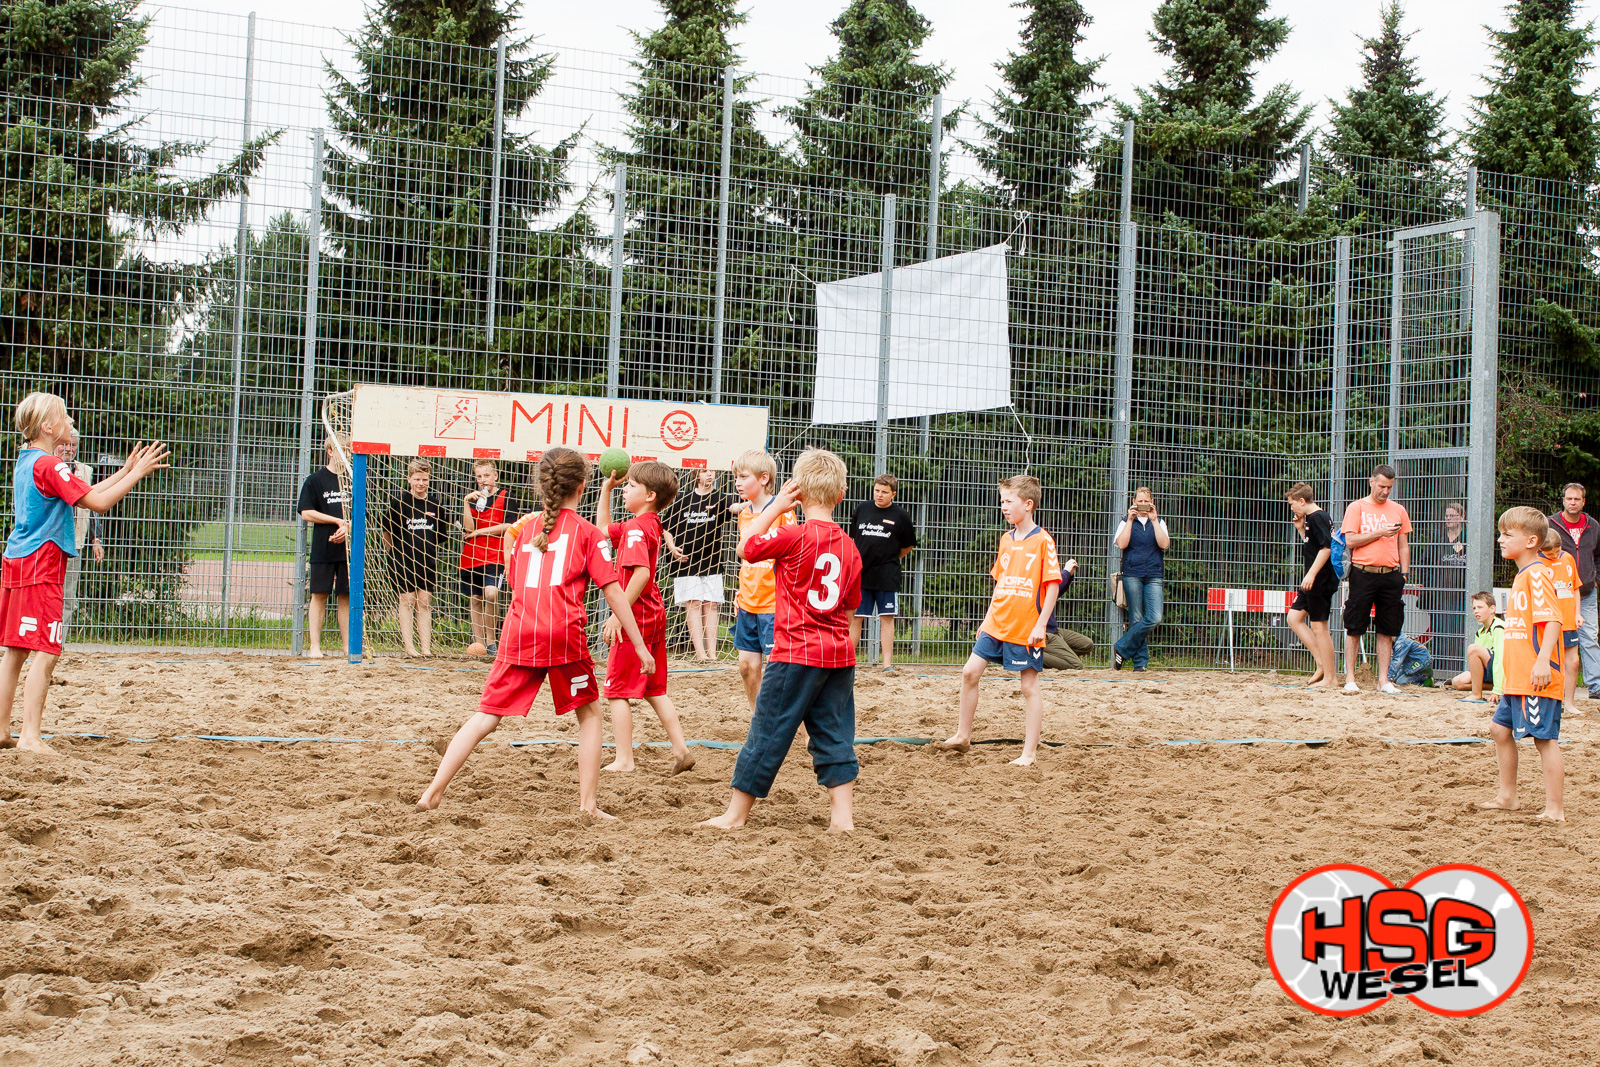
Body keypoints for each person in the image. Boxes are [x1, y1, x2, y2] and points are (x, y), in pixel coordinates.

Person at [417, 448, 654, 817]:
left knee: (485, 716)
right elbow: (613, 593)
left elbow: (514, 581)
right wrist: (639, 645)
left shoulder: (527, 528)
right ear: (582, 486)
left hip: (519, 631)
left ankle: (432, 792)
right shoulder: (588, 533)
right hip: (562, 634)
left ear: (543, 485)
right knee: (590, 715)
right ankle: (588, 806)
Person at [700, 448, 862, 833]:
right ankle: (843, 819)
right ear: (841, 495)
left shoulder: (792, 535)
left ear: (797, 493)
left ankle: (735, 815)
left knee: (767, 730)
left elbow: (746, 548)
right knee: (835, 733)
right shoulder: (850, 547)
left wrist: (774, 508)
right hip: (838, 655)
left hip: (795, 653)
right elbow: (850, 610)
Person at [2, 393, 168, 754]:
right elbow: (99, 503)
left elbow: (84, 493)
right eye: (64, 417)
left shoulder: (27, 460)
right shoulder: (52, 465)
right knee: (48, 650)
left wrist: (124, 471)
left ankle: (1, 730)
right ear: (48, 427)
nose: (70, 422)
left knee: (15, 650)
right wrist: (137, 474)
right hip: (42, 565)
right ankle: (30, 737)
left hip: (17, 560)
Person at [935, 475, 1062, 767]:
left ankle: (1028, 754)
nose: (1003, 506)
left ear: (1028, 505)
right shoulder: (1006, 539)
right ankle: (962, 735)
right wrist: (987, 618)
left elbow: (1053, 585)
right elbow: (1000, 583)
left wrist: (1041, 624)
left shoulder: (1043, 540)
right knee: (970, 673)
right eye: (1002, 501)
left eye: (1008, 501)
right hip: (997, 622)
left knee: (1028, 687)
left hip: (1025, 626)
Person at [595, 460, 694, 775]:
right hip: (653, 613)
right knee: (654, 689)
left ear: (650, 495)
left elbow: (641, 573)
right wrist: (606, 490)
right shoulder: (648, 523)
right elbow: (602, 531)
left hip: (635, 615)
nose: (625, 489)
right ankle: (681, 750)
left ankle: (624, 759)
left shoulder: (637, 528)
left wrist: (618, 615)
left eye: (631, 485)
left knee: (616, 691)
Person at [1480, 507, 1565, 821]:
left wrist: (1543, 662)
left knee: (1544, 740)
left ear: (1531, 541)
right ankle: (1508, 796)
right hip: (1518, 678)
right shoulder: (1523, 574)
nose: (1500, 539)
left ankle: (1555, 809)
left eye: (1507, 534)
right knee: (1499, 729)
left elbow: (1553, 620)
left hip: (1536, 676)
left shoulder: (1538, 574)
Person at [730, 450, 795, 711]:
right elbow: (746, 559)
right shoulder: (744, 514)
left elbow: (789, 556)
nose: (737, 482)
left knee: (778, 671)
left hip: (773, 605)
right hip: (748, 603)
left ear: (764, 478)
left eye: (743, 477)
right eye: (736, 477)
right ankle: (758, 721)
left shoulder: (783, 512)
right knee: (747, 666)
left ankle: (799, 728)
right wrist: (739, 592)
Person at [1339, 465, 1412, 694]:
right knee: (1354, 626)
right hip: (1363, 572)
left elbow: (1403, 544)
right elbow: (1351, 541)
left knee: (1387, 629)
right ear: (1372, 482)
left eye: (1389, 487)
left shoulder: (1398, 510)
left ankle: (1383, 680)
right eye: (1382, 486)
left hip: (1390, 574)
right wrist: (1380, 532)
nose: (1385, 491)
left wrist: (1404, 574)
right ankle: (1350, 678)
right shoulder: (1357, 507)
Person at [847, 473, 918, 672]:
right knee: (856, 618)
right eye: (877, 490)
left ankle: (887, 664)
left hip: (887, 575)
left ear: (893, 494)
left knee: (887, 617)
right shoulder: (862, 509)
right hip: (861, 574)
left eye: (884, 492)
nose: (879, 495)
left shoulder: (901, 515)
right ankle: (848, 662)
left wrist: (890, 559)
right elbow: (853, 539)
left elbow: (908, 545)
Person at [662, 469, 734, 661]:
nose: (709, 474)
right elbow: (666, 527)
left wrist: (749, 503)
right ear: (696, 475)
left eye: (712, 471)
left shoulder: (720, 498)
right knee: (693, 604)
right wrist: (672, 547)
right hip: (685, 561)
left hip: (711, 560)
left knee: (711, 605)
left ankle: (712, 655)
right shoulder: (683, 499)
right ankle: (700, 654)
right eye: (704, 471)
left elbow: (733, 508)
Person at [381, 459, 445, 657]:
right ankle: (409, 647)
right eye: (417, 479)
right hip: (403, 559)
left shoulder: (435, 504)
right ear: (409, 479)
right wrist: (393, 553)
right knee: (407, 600)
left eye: (424, 479)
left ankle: (426, 648)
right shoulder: (399, 503)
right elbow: (387, 531)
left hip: (427, 560)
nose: (421, 483)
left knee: (424, 601)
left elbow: (439, 535)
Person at [458, 459, 520, 655]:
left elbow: (510, 526)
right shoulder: (473, 499)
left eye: (486, 475)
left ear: (495, 475)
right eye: (479, 476)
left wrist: (481, 532)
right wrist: (465, 503)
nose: (483, 480)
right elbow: (469, 529)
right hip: (472, 555)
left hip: (496, 555)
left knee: (491, 593)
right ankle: (480, 645)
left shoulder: (506, 496)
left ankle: (492, 641)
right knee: (475, 598)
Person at [297, 436, 351, 659]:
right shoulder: (315, 480)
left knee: (346, 596)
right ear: (330, 451)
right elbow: (306, 512)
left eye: (349, 451)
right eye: (343, 451)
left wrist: (347, 526)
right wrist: (336, 521)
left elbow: (363, 514)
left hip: (348, 550)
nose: (347, 455)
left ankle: (348, 647)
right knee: (319, 594)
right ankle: (315, 647)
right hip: (323, 547)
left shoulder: (353, 480)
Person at [1284, 483, 1339, 688]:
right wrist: (1300, 530)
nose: (1292, 508)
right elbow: (1313, 547)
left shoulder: (1317, 517)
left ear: (1301, 501)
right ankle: (1321, 663)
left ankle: (1331, 678)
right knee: (1294, 617)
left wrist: (1311, 574)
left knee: (1319, 627)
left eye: (1292, 504)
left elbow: (1326, 549)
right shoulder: (1310, 519)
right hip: (1313, 579)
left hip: (1320, 580)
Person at [1549, 483, 1600, 702]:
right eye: (1569, 499)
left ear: (1583, 502)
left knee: (1590, 637)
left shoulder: (1593, 526)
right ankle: (1553, 684)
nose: (1572, 502)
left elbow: (1598, 555)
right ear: (1563, 500)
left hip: (1586, 592)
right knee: (1553, 638)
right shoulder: (1550, 524)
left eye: (1577, 499)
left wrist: (1595, 580)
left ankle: (1596, 685)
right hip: (1556, 594)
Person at [1111, 486, 1168, 671]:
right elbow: (1121, 544)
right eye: (1140, 501)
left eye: (1146, 501)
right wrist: (1130, 519)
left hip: (1154, 574)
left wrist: (1154, 520)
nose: (1143, 504)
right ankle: (1140, 663)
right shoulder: (1125, 521)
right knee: (1136, 618)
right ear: (1134, 502)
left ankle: (1121, 647)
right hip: (1132, 574)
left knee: (1155, 617)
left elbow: (1164, 544)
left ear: (1152, 502)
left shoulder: (1159, 521)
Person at [55, 430, 102, 636]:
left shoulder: (84, 471)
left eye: (73, 445)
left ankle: (59, 643)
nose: (68, 449)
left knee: (67, 598)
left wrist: (96, 538)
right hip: (50, 543)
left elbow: (92, 505)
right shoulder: (47, 466)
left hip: (74, 543)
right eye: (64, 444)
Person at [1539, 527, 1583, 715]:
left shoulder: (1568, 558)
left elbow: (1575, 588)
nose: (1555, 556)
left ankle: (1569, 703)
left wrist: (1577, 613)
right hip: (1548, 622)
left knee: (1573, 662)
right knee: (1548, 663)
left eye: (1557, 552)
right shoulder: (1537, 564)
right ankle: (1548, 702)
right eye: (1550, 554)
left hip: (1568, 620)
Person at [1040, 558, 1094, 670]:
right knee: (1076, 665)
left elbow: (1054, 593)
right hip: (1044, 633)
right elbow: (1051, 591)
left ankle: (1057, 658)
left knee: (1087, 644)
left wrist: (1069, 575)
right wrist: (1066, 572)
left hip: (1053, 630)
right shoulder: (1031, 579)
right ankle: (1030, 655)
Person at [1452, 591, 1505, 701]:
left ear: (1492, 609)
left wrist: (1497, 690)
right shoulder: (1479, 632)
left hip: (1503, 671)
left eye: (1480, 607)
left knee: (1473, 649)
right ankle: (1487, 687)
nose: (1476, 611)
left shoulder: (1499, 628)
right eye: (1474, 608)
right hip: (1489, 671)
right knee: (1457, 682)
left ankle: (1477, 695)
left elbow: (1501, 659)